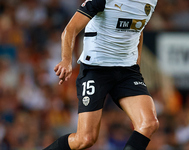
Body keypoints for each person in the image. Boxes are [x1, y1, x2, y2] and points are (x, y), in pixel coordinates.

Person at [43, 0, 159, 149]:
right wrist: (66, 60)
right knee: (85, 139)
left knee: (149, 123)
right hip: (96, 68)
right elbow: (70, 29)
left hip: (127, 71)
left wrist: (136, 63)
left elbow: (137, 28)